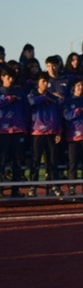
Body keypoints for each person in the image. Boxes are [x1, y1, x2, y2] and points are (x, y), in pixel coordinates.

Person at [28, 72, 63, 196]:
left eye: (46, 82)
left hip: (51, 133)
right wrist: (44, 98)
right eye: (42, 81)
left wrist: (58, 131)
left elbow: (58, 115)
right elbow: (31, 102)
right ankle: (32, 187)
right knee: (35, 160)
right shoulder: (33, 94)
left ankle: (54, 185)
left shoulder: (53, 98)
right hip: (37, 133)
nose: (45, 84)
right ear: (38, 82)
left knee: (52, 161)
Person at [0, 65, 28, 196]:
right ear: (2, 78)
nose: (10, 80)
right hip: (3, 132)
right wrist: (8, 100)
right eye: (7, 77)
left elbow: (26, 110)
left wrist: (24, 126)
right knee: (2, 161)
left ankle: (15, 190)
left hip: (17, 131)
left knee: (17, 161)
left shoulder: (20, 93)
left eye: (12, 77)